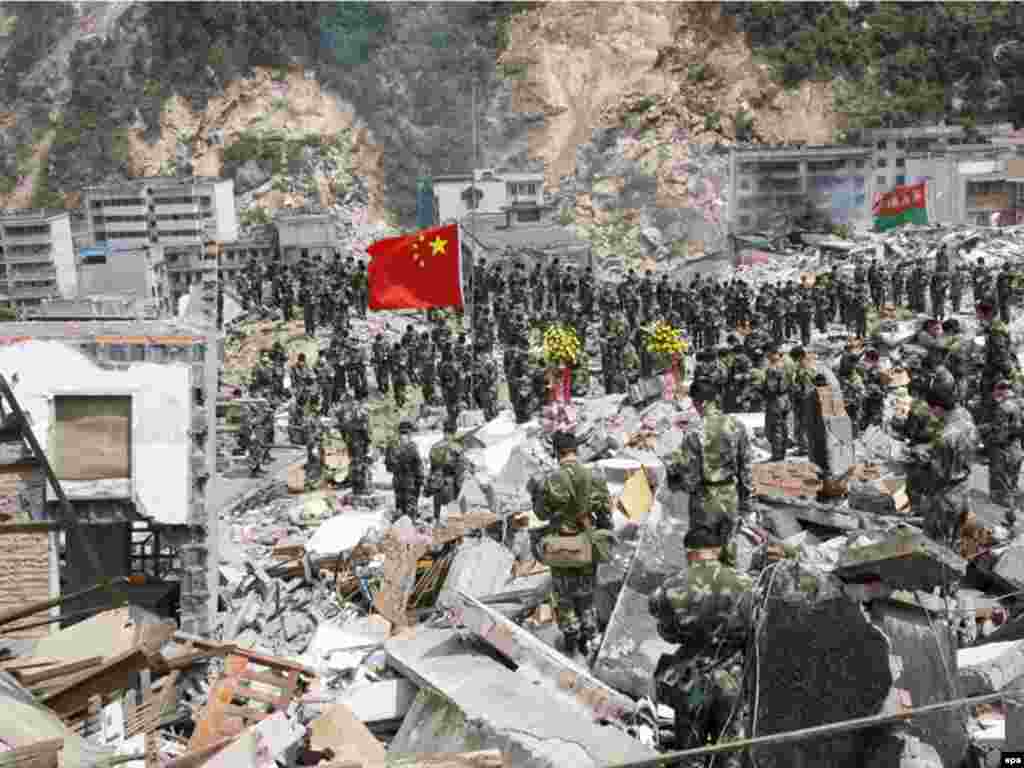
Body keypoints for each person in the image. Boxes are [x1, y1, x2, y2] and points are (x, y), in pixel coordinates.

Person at [649, 525, 755, 760]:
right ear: (718, 550)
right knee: (728, 751)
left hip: (693, 682)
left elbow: (667, 633)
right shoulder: (747, 584)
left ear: (689, 552)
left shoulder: (673, 585)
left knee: (690, 750)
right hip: (732, 680)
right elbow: (755, 632)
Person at [529, 429, 613, 660]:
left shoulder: (550, 480)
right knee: (586, 593)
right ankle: (589, 639)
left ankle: (570, 642)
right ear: (577, 450)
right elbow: (606, 515)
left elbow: (541, 514)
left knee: (564, 596)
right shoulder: (595, 476)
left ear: (557, 452)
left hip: (561, 546)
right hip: (586, 543)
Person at [662, 378, 753, 548]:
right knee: (728, 550)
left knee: (704, 552)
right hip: (730, 497)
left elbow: (690, 477)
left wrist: (673, 474)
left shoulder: (694, 431)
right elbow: (746, 469)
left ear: (701, 403)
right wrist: (746, 504)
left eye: (694, 403)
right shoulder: (737, 425)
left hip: (704, 502)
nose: (695, 408)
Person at [425, 420, 467, 522]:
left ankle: (436, 525)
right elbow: (461, 468)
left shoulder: (435, 446)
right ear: (454, 432)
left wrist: (430, 482)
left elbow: (432, 466)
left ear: (444, 432)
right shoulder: (456, 447)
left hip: (436, 482)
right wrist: (459, 485)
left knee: (437, 513)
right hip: (450, 482)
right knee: (452, 512)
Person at [385, 420, 424, 521]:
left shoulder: (391, 446)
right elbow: (418, 465)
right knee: (410, 509)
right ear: (409, 432)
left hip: (397, 480)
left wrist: (397, 467)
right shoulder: (412, 446)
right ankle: (410, 524)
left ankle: (399, 524)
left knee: (399, 507)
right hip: (410, 481)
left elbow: (388, 467)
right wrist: (420, 479)